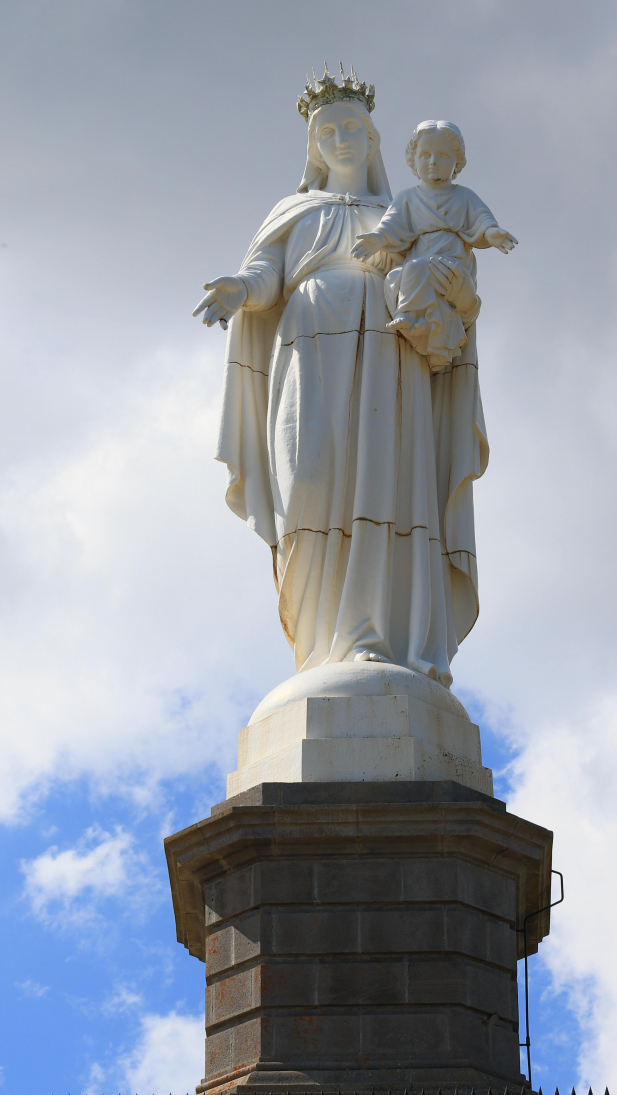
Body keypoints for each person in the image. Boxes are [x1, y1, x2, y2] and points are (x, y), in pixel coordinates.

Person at [193, 70, 489, 688]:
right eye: (328, 130)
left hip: (391, 358)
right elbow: (266, 274)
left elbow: (451, 284)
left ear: (376, 138)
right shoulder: (292, 211)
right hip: (309, 352)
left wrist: (458, 294)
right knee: (308, 482)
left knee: (388, 486)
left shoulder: (403, 212)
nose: (341, 138)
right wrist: (238, 289)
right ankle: (323, 647)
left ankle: (381, 639)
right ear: (313, 145)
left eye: (353, 125)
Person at [351, 120, 517, 371]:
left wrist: (492, 234)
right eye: (425, 155)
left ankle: (408, 316)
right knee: (401, 277)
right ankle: (430, 342)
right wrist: (378, 239)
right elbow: (392, 224)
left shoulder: (464, 196)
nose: (433, 161)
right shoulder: (408, 197)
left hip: (453, 263)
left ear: (456, 162)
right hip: (421, 260)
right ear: (414, 159)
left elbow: (482, 219)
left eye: (443, 155)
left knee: (421, 275)